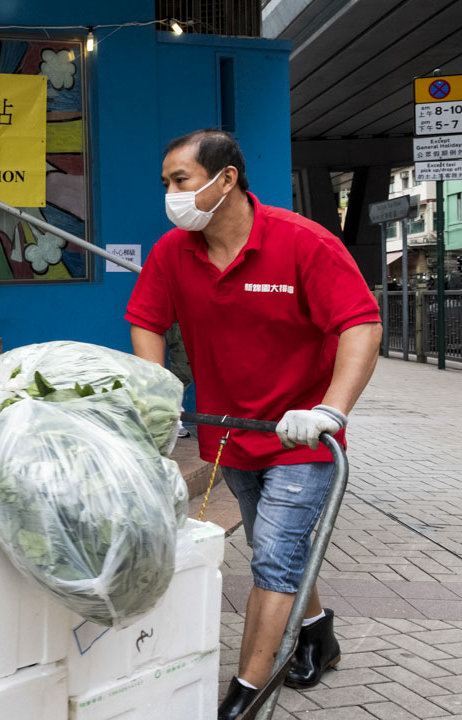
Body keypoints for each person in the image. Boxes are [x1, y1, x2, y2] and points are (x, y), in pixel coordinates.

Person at [124, 129, 382, 720]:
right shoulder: (174, 251)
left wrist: (329, 411)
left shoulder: (302, 243)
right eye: (166, 183)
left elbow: (362, 325)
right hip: (230, 432)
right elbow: (145, 319)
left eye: (180, 180)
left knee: (272, 554)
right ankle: (318, 633)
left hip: (303, 435)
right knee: (277, 545)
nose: (170, 193)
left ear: (226, 179)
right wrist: (158, 395)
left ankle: (247, 693)